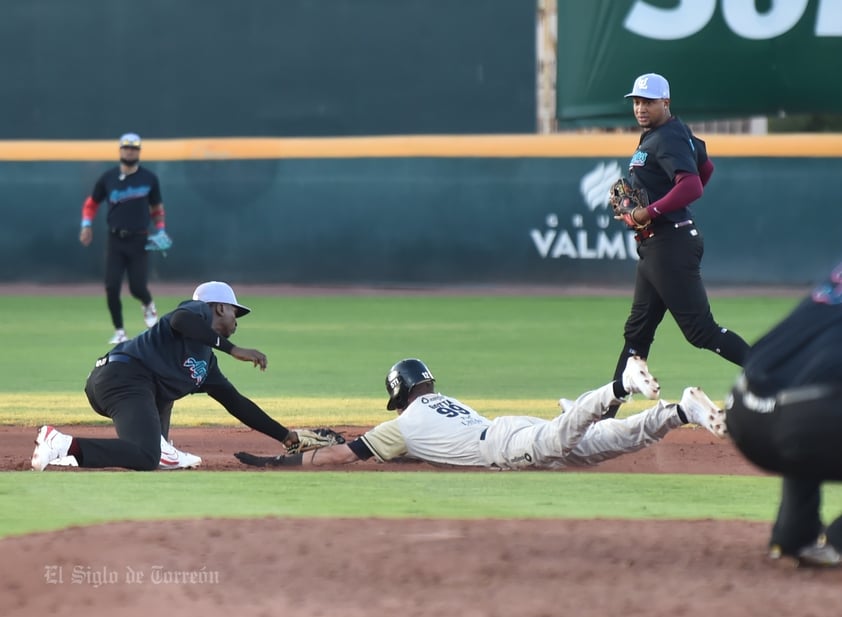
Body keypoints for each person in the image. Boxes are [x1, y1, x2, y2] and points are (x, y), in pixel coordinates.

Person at [234, 356, 727, 471]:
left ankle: (620, 384)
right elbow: (420, 451)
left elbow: (346, 455)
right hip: (506, 428)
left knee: (564, 439)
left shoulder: (401, 425)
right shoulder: (437, 408)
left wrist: (283, 463)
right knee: (607, 443)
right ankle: (680, 411)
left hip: (505, 446)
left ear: (398, 394)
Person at [31, 281, 302, 471]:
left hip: (129, 385)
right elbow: (179, 321)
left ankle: (161, 449)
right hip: (123, 377)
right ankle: (63, 444)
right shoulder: (196, 311)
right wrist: (233, 350)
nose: (237, 320)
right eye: (235, 311)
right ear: (219, 307)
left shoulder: (206, 361)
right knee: (148, 457)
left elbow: (236, 402)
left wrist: (286, 436)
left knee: (153, 444)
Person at [606, 72, 749, 416]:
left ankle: (771, 374)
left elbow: (693, 186)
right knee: (637, 334)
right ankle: (603, 415)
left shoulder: (666, 138)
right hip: (659, 245)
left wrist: (650, 211)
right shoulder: (671, 132)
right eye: (637, 101)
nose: (640, 108)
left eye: (648, 102)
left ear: (665, 103)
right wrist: (655, 210)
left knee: (702, 332)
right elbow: (706, 166)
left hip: (670, 244)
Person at [725, 261, 842, 567]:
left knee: (812, 401)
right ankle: (837, 544)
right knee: (815, 408)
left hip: (742, 412)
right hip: (805, 424)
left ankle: (794, 535)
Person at [79, 132, 173, 344]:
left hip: (139, 239)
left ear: (138, 151)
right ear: (120, 150)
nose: (130, 151)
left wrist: (161, 229)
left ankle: (148, 303)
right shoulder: (108, 178)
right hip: (115, 239)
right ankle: (120, 331)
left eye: (134, 148)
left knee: (137, 287)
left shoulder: (149, 178)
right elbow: (91, 203)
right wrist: (86, 225)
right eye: (126, 147)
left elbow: (156, 207)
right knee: (112, 286)